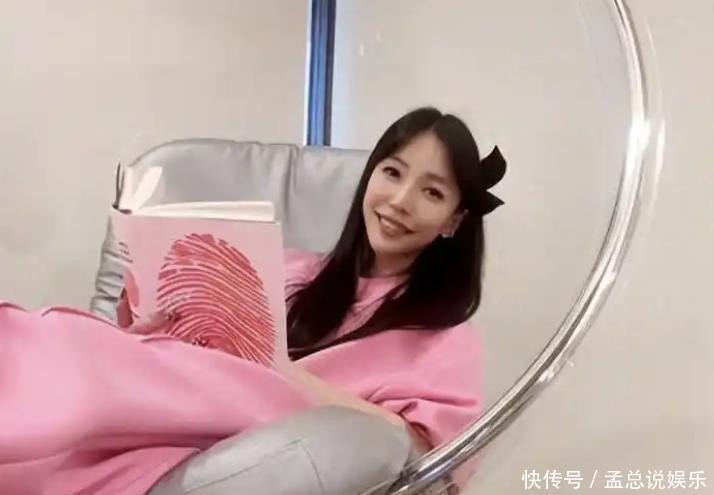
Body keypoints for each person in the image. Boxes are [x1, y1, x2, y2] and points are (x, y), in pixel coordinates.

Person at [0, 107, 506, 494]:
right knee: (87, 354)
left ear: (454, 221)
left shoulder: (446, 342)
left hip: (256, 447)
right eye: (392, 173)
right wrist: (158, 321)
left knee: (77, 363)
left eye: (431, 193)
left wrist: (281, 374)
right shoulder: (289, 268)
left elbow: (423, 460)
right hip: (172, 419)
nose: (399, 201)